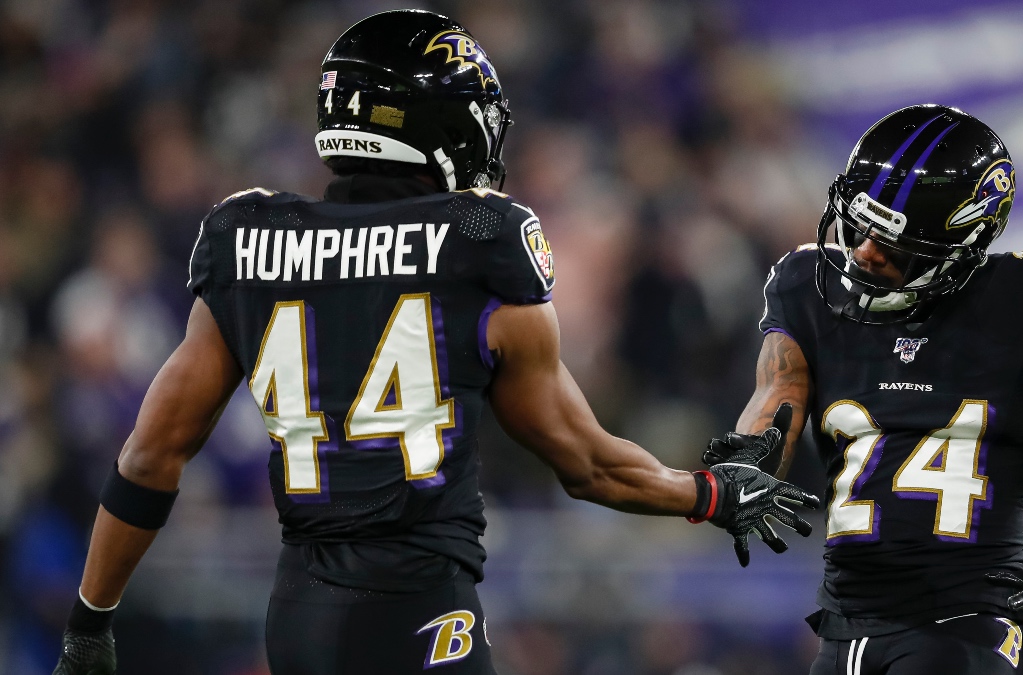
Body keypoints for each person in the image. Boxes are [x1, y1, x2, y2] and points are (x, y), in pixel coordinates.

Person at [51, 10, 819, 675]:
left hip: (296, 611)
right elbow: (587, 465)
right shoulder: (482, 242)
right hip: (416, 608)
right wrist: (710, 492)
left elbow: (150, 456)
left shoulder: (248, 239)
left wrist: (90, 622)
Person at [704, 104, 1023, 674]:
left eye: (895, 243)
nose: (866, 251)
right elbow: (775, 402)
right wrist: (749, 462)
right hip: (844, 629)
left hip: (965, 624)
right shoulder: (806, 289)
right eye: (862, 227)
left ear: (962, 246)